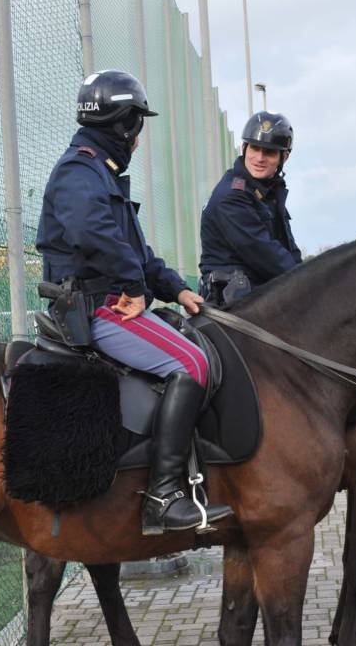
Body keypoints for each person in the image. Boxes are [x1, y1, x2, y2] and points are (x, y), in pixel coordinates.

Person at [35, 69, 231, 536]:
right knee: (193, 366)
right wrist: (134, 286)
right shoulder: (78, 171)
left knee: (195, 344)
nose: (139, 139)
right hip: (94, 306)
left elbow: (136, 254)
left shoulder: (100, 174)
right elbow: (93, 235)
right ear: (124, 125)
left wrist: (175, 289)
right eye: (138, 125)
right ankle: (163, 496)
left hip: (108, 296)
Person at [199, 111, 302, 307]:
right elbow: (268, 257)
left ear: (284, 157)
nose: (259, 158)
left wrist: (312, 275)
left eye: (269, 152)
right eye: (255, 148)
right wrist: (309, 282)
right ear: (244, 148)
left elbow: (290, 251)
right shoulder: (232, 196)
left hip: (257, 297)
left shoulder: (267, 194)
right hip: (232, 305)